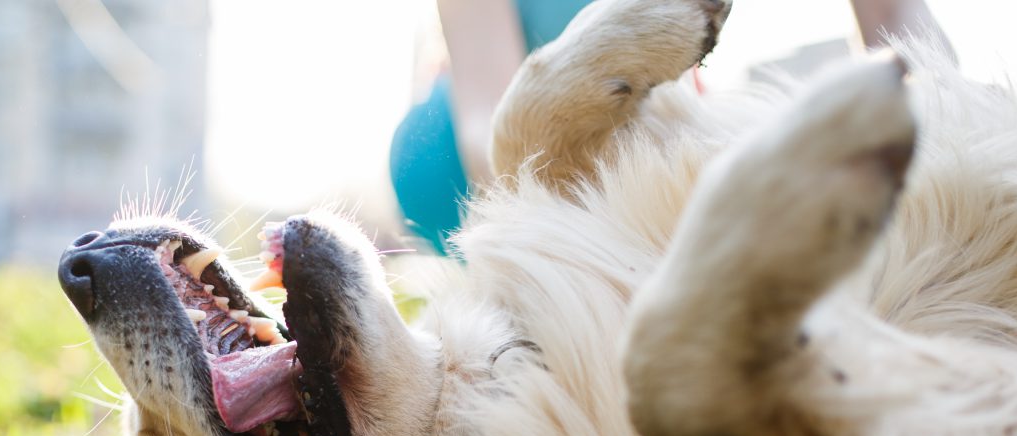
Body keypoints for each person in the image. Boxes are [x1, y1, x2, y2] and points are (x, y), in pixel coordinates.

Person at [390, 0, 952, 254]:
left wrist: (947, 119)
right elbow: (482, 116)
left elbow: (899, 23)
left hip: (652, 130)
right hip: (465, 158)